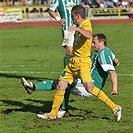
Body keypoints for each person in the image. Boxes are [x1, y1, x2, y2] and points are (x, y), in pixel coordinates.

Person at [23, 5, 122, 121]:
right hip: (73, 62)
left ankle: (115, 107)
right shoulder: (76, 26)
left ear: (77, 16)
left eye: (72, 17)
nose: (72, 19)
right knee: (61, 84)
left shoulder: (86, 24)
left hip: (83, 62)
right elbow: (73, 46)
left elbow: (89, 35)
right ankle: (53, 114)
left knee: (89, 88)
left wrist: (77, 29)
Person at [48, 0, 79, 67]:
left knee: (79, 50)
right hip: (67, 30)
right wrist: (59, 19)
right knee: (69, 51)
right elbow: (51, 10)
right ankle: (67, 74)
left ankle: (77, 73)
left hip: (78, 28)